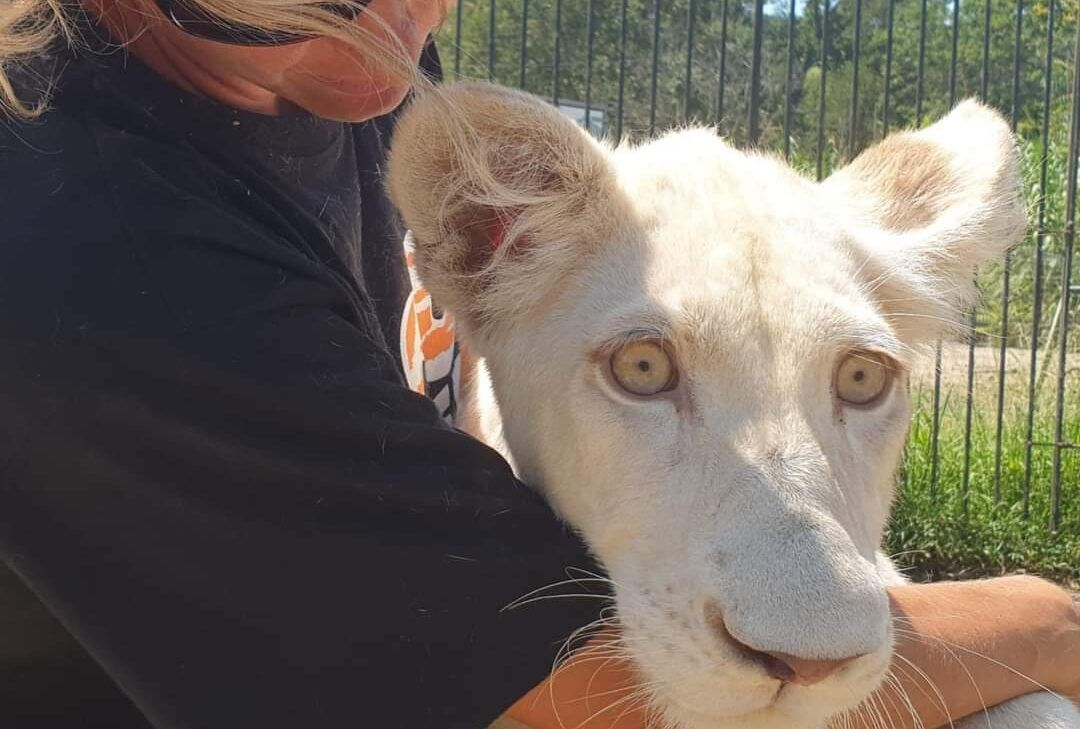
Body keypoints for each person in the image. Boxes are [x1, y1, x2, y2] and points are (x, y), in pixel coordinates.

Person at [0, 2, 1075, 728]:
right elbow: (543, 696)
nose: (408, 22)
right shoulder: (93, 245)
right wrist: (1048, 621)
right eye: (643, 366)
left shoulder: (336, 60)